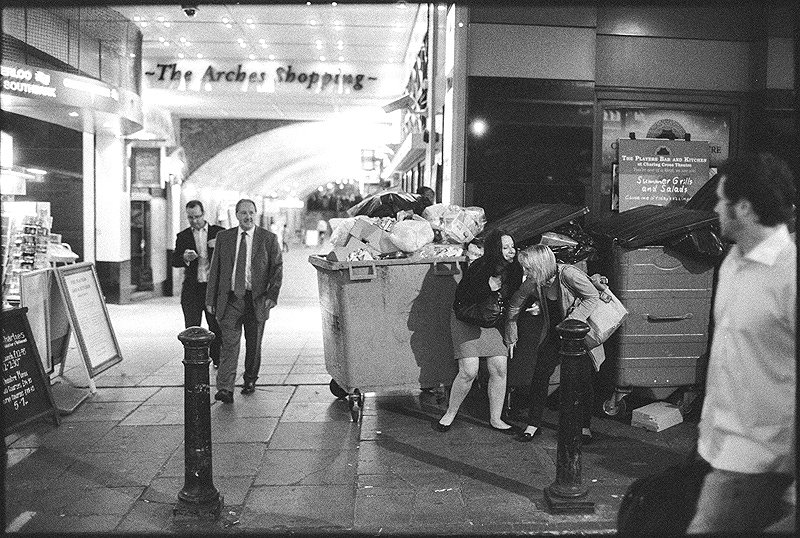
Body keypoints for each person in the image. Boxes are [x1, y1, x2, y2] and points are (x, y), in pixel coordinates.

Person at [687, 153, 796, 534]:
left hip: (762, 460)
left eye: (721, 200)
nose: (715, 208)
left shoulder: (789, 274)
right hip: (717, 446)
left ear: (745, 209)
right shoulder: (733, 260)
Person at [504, 244, 604, 443]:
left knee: (583, 380)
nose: (525, 272)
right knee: (540, 376)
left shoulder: (568, 274)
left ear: (541, 265)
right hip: (554, 334)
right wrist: (511, 331)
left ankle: (585, 427)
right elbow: (516, 302)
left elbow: (592, 296)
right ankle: (533, 424)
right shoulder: (535, 281)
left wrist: (572, 322)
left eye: (528, 268)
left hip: (577, 335)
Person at [437, 229, 523, 433]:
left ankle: (496, 418)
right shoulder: (478, 268)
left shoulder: (515, 270)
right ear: (495, 250)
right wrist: (488, 288)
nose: (512, 251)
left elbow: (513, 301)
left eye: (512, 246)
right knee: (469, 371)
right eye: (505, 247)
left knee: (500, 367)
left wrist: (511, 331)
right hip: (467, 319)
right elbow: (463, 299)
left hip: (491, 321)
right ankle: (449, 414)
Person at [206, 199, 283, 403]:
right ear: (236, 215)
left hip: (256, 299)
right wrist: (210, 299)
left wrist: (272, 295)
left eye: (251, 213)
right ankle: (225, 388)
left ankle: (250, 379)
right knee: (229, 344)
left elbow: (277, 269)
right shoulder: (224, 238)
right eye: (243, 213)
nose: (247, 217)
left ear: (255, 214)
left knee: (253, 344)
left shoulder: (268, 239)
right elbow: (215, 270)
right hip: (230, 299)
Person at [171, 200, 225, 367]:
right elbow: (174, 260)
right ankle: (194, 362)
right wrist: (184, 258)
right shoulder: (183, 236)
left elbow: (232, 257)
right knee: (192, 328)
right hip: (192, 289)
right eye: (190, 217)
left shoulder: (219, 233)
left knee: (215, 326)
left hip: (212, 288)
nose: (194, 220)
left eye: (197, 216)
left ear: (204, 214)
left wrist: (219, 247)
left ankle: (217, 359)